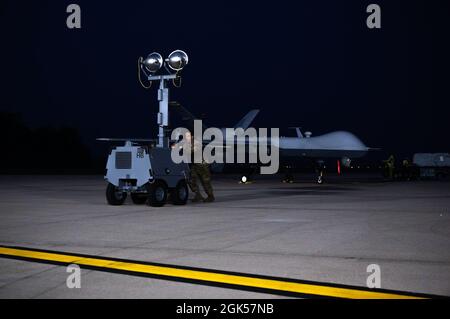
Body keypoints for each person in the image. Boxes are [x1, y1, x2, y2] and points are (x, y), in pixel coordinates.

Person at [185, 131, 215, 203]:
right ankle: (197, 195)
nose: (186, 138)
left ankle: (210, 196)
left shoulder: (197, 143)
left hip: (202, 165)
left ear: (192, 136)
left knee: (205, 181)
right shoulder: (187, 143)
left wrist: (182, 148)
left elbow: (191, 151)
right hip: (195, 165)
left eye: (188, 136)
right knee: (191, 180)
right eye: (186, 136)